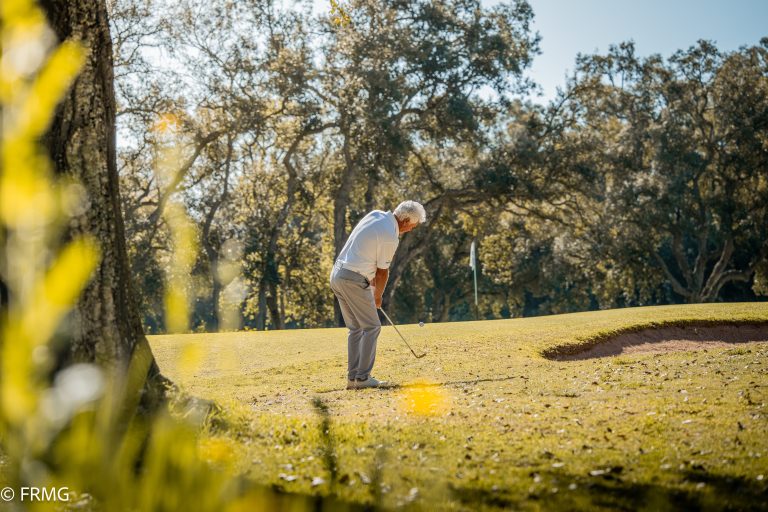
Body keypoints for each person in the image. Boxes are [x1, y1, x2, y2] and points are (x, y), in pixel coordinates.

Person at [330, 200, 426, 389]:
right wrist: (377, 296)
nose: (410, 230)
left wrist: (371, 282)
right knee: (372, 327)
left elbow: (366, 253)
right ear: (405, 220)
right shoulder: (391, 236)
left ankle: (353, 379)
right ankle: (363, 378)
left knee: (356, 328)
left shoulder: (376, 215)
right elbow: (383, 272)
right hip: (353, 279)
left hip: (338, 275)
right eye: (412, 226)